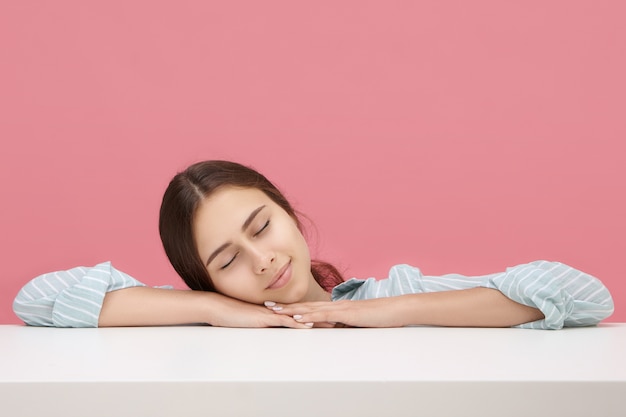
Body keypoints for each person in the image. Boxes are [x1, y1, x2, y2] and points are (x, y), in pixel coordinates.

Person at [13, 160, 614, 329]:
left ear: (290, 215)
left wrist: (380, 313)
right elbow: (36, 301)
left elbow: (580, 295)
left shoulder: (388, 294)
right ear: (206, 277)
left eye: (262, 228)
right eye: (226, 262)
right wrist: (210, 309)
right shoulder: (200, 318)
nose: (262, 260)